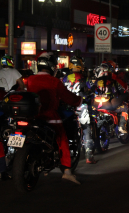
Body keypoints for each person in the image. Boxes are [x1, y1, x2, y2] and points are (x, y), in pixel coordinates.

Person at [27, 52, 82, 184]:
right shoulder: (54, 81)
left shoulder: (30, 79)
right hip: (50, 116)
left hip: (32, 116)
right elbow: (68, 97)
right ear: (52, 66)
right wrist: (79, 100)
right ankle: (67, 172)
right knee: (62, 138)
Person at [62, 56, 96, 164]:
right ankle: (89, 156)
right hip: (81, 106)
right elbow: (92, 89)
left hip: (67, 107)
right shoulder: (84, 78)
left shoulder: (65, 78)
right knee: (86, 129)